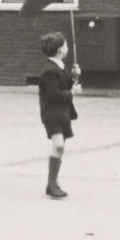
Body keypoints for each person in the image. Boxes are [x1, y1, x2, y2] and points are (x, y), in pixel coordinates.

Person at [38, 31, 81, 199]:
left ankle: (53, 182)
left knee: (60, 146)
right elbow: (53, 95)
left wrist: (74, 77)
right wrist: (73, 92)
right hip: (52, 113)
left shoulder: (59, 67)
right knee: (59, 146)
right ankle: (51, 184)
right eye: (65, 45)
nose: (68, 48)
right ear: (59, 50)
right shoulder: (49, 70)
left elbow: (64, 84)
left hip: (62, 112)